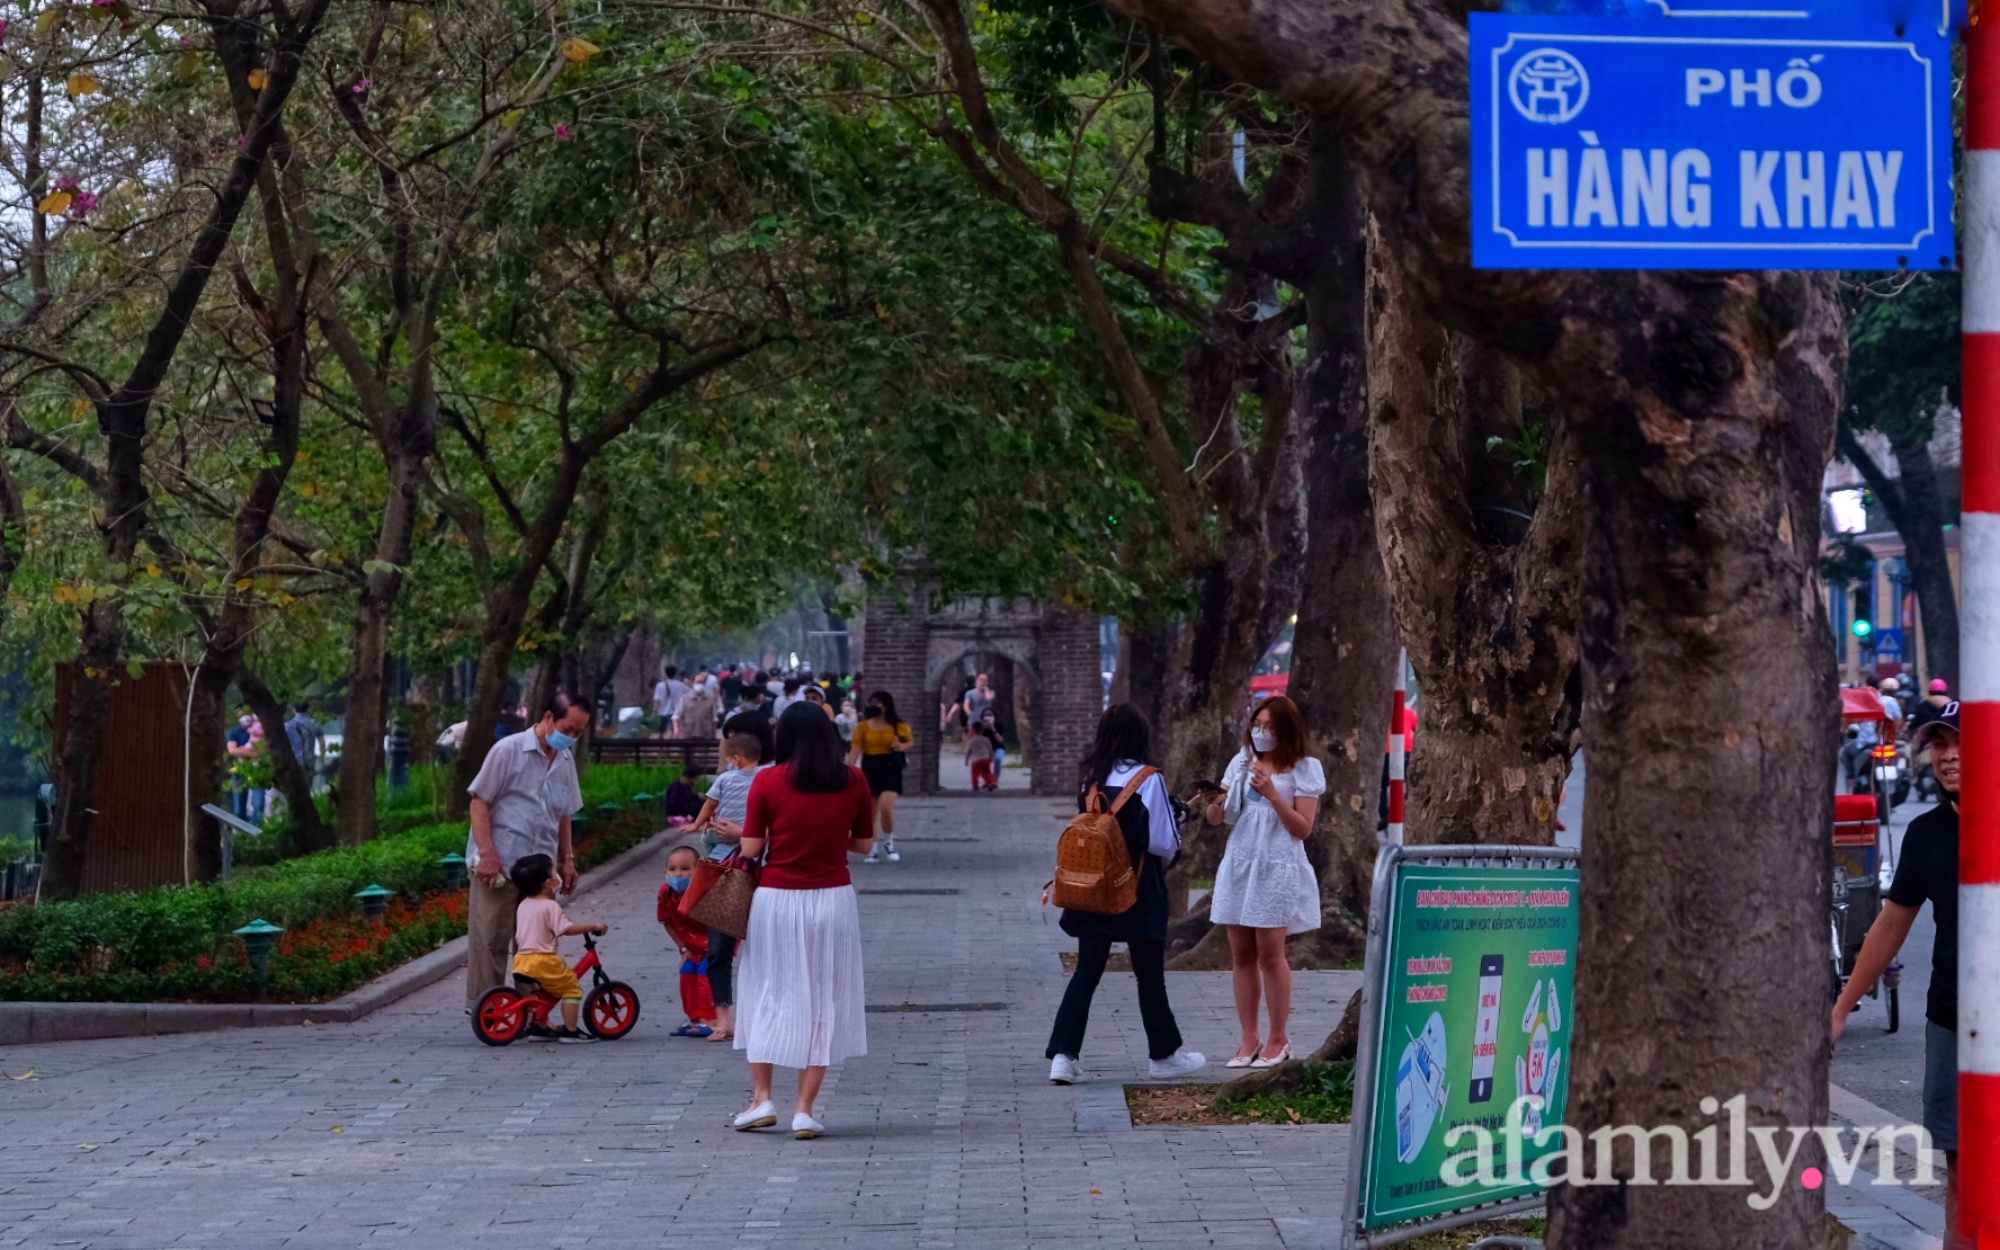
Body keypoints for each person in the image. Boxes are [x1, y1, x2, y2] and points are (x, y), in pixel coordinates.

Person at [1834, 702, 1966, 1246]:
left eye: (1962, 744)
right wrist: (1841, 1009)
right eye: (1940, 745)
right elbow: (1891, 924)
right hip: (1951, 1020)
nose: (1950, 756)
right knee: (1961, 1164)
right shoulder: (1929, 833)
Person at [732, 703, 876, 1139]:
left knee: (767, 991)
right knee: (823, 1000)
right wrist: (830, 837)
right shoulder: (853, 779)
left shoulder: (768, 780)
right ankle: (804, 1109)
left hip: (776, 900)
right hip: (832, 899)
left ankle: (761, 1099)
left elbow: (752, 848)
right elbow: (865, 845)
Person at [1046, 704, 1205, 1085]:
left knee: (1087, 970)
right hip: (1138, 889)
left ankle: (1064, 1057)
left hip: (1093, 888)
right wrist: (1179, 818)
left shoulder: (1091, 779)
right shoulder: (1149, 779)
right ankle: (1164, 1055)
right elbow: (1163, 843)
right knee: (1149, 973)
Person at [1204, 696, 1323, 1068]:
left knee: (1271, 954)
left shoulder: (1304, 769)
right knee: (1241, 954)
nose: (1261, 732)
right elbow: (1218, 819)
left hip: (1278, 864)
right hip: (1240, 862)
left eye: (1270, 726)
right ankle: (1248, 1039)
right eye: (1258, 724)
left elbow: (1303, 828)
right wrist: (1214, 803)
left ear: (1286, 730)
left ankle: (1279, 1038)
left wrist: (1273, 794)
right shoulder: (1241, 760)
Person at [463, 693, 590, 1013]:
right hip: (501, 863)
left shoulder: (564, 760)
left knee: (537, 944)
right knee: (491, 939)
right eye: (567, 728)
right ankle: (488, 1010)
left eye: (578, 732)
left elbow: (564, 813)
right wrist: (488, 855)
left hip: (540, 871)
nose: (571, 737)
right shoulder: (508, 750)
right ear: (548, 717)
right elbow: (479, 802)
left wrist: (568, 859)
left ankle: (533, 1010)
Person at [691, 733, 765, 1043]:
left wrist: (701, 824)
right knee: (720, 947)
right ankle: (726, 1018)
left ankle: (733, 1018)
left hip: (751, 869)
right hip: (733, 868)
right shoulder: (762, 776)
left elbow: (709, 807)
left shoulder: (765, 780)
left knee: (724, 949)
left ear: (735, 756)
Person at [508, 852, 606, 1043]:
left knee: (545, 993)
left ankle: (540, 1027)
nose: (558, 876)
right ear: (549, 883)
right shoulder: (549, 906)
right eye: (555, 872)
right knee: (571, 989)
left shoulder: (523, 905)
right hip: (543, 960)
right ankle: (571, 1031)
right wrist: (593, 926)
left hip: (522, 960)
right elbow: (565, 929)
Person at [657, 845, 717, 1038]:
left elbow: (722, 922)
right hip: (691, 946)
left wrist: (717, 949)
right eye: (672, 869)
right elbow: (667, 922)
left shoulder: (707, 891)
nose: (678, 874)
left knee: (705, 977)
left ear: (698, 869)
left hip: (714, 943)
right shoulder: (666, 894)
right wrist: (683, 947)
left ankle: (711, 1020)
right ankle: (694, 1019)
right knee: (687, 974)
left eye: (685, 869)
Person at [847, 691, 914, 863]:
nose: (873, 706)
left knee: (886, 807)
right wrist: (847, 771)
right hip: (870, 767)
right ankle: (872, 848)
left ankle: (889, 842)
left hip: (891, 768)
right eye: (871, 703)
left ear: (886, 705)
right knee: (870, 812)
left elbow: (910, 741)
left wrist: (901, 745)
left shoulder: (899, 726)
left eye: (877, 703)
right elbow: (855, 750)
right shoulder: (863, 727)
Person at [226, 711, 262, 822]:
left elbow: (264, 750)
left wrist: (242, 750)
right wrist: (254, 753)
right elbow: (232, 750)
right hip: (239, 770)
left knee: (259, 804)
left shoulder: (259, 729)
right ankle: (240, 834)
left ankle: (256, 832)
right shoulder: (233, 732)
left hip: (258, 770)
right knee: (239, 808)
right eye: (241, 715)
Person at [724, 686, 775, 762]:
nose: (757, 705)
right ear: (746, 699)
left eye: (760, 703)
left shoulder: (758, 715)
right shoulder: (732, 716)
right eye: (755, 702)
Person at [678, 671, 720, 739]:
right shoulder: (684, 699)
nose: (700, 684)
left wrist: (713, 735)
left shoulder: (710, 699)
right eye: (698, 682)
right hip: (688, 734)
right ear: (692, 683)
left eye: (702, 682)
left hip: (705, 734)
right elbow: (680, 716)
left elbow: (714, 719)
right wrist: (682, 732)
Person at [964, 716, 997, 792]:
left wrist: (966, 760)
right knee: (987, 772)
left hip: (975, 760)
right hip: (985, 758)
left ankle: (975, 786)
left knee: (975, 774)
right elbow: (990, 749)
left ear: (973, 730)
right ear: (983, 730)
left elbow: (968, 751)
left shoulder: (972, 741)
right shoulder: (986, 739)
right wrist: (991, 757)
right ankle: (990, 783)